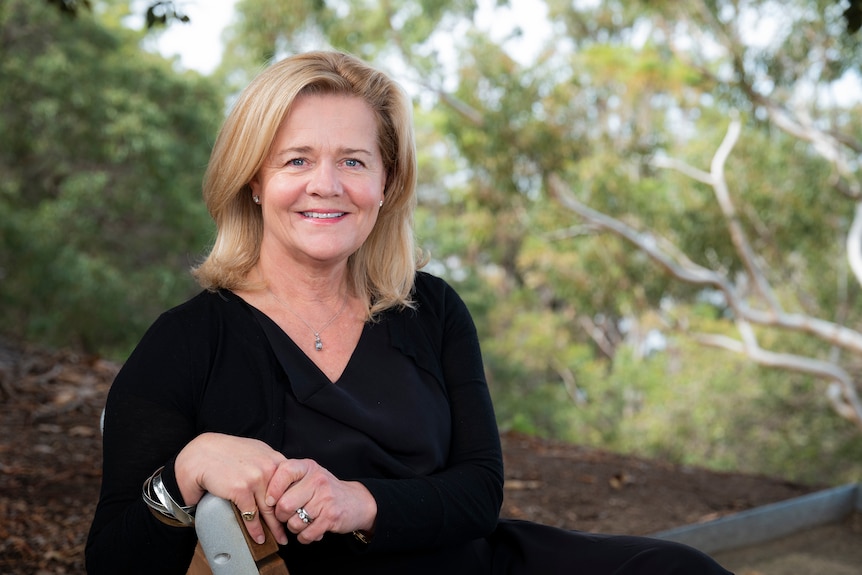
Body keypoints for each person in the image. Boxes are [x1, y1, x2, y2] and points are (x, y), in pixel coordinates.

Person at [86, 50, 733, 575]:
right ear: (253, 180)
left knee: (676, 567)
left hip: (479, 563)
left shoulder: (432, 310)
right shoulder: (187, 342)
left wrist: (356, 501)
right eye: (297, 160)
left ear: (387, 183)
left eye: (353, 161)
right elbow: (113, 561)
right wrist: (186, 470)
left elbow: (479, 492)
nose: (327, 184)